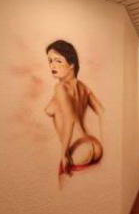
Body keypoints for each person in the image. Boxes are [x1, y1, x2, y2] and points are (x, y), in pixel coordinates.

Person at [44, 40, 103, 178]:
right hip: (93, 144)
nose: (52, 65)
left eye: (58, 61)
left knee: (62, 187)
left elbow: (69, 120)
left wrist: (64, 154)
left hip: (75, 148)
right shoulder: (84, 88)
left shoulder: (60, 88)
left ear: (71, 64)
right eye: (50, 60)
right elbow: (102, 112)